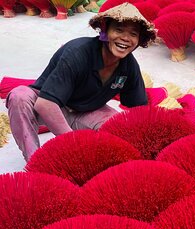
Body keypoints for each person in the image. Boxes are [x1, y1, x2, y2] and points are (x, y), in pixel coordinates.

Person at [6, 2, 157, 161]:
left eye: (133, 34)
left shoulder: (129, 66)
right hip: (48, 106)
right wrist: (74, 143)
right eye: (119, 30)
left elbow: (139, 110)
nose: (125, 38)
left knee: (120, 128)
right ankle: (34, 160)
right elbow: (45, 104)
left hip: (87, 111)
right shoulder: (78, 52)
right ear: (105, 31)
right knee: (19, 96)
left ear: (139, 40)